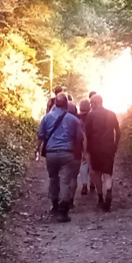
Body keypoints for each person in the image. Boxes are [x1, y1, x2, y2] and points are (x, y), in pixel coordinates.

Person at [36, 93, 83, 222]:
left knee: (53, 178)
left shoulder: (46, 118)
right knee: (65, 181)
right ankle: (63, 210)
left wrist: (37, 150)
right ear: (66, 104)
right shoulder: (73, 120)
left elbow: (41, 136)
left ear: (55, 104)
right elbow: (79, 138)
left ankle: (54, 205)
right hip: (67, 153)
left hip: (51, 153)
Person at [84, 94, 120, 211]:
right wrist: (115, 144)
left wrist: (86, 149)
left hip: (96, 148)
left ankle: (100, 199)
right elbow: (118, 131)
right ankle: (108, 191)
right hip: (109, 147)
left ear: (95, 103)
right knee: (108, 173)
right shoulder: (111, 114)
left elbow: (86, 133)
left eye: (91, 103)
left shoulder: (91, 115)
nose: (90, 105)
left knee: (97, 173)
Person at [77, 98, 92, 196]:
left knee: (83, 164)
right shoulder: (93, 116)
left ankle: (84, 185)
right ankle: (93, 183)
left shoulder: (78, 118)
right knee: (92, 164)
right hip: (94, 143)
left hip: (82, 144)